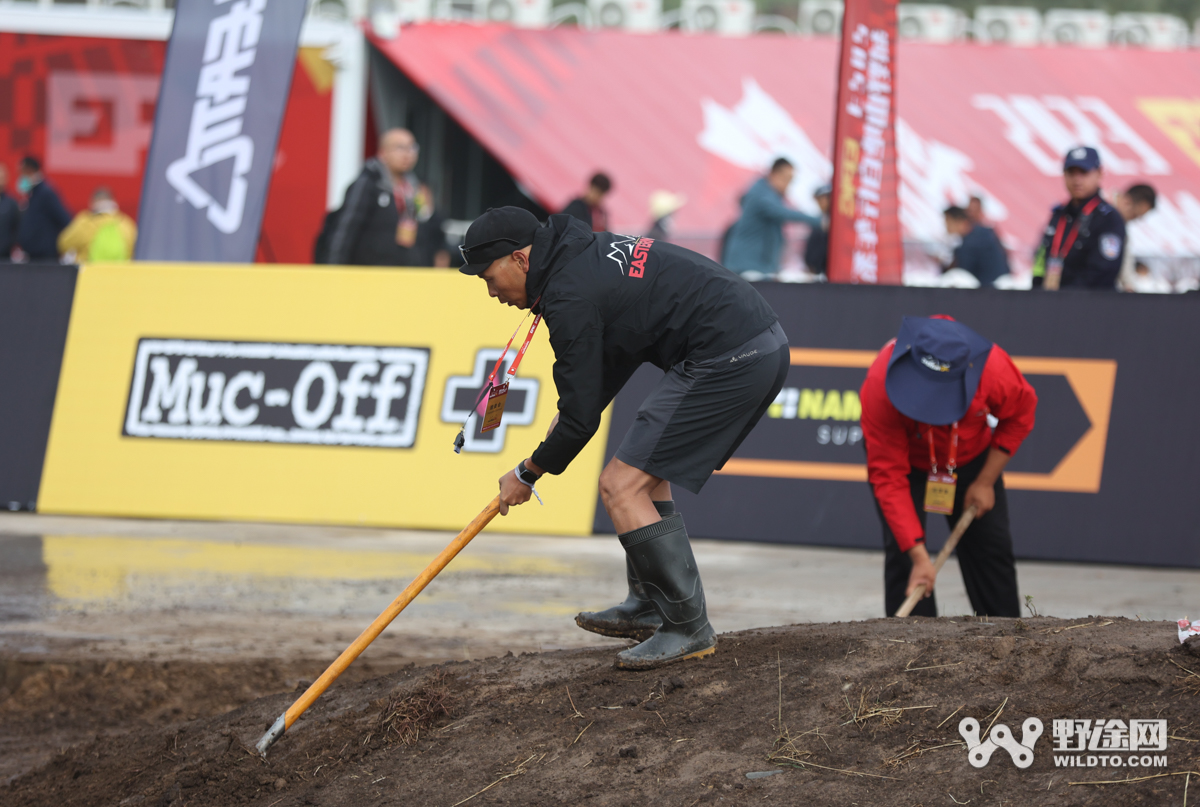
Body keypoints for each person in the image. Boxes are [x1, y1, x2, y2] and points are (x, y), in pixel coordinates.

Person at [458, 207, 789, 669]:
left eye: (490, 277)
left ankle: (688, 628)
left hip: (732, 355)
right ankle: (651, 604)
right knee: (647, 478)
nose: (492, 292)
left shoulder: (568, 294)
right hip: (751, 342)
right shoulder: (579, 255)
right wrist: (574, 412)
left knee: (620, 484)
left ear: (520, 259)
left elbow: (580, 422)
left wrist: (526, 473)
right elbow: (620, 346)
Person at [860, 316, 1037, 619]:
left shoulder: (992, 369)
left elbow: (1020, 415)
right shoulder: (881, 382)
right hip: (909, 466)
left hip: (971, 461)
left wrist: (985, 480)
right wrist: (918, 555)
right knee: (905, 557)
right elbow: (888, 476)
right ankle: (912, 650)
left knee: (991, 551)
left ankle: (1007, 641)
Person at [324, 128, 449, 267]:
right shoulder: (367, 184)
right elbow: (345, 229)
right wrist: (334, 269)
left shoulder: (415, 188)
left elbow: (428, 229)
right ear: (383, 153)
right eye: (400, 148)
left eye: (412, 148)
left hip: (408, 274)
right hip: (370, 275)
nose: (408, 154)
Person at [1032, 147, 1125, 291]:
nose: (1077, 180)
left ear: (1099, 173)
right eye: (1071, 173)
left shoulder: (1109, 218)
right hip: (1052, 303)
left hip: (1092, 305)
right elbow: (1041, 258)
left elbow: (1103, 271)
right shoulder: (1058, 214)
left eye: (1084, 172)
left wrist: (1066, 296)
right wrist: (1037, 292)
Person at [723, 158, 821, 279]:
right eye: (786, 179)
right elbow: (782, 213)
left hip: (761, 266)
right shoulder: (760, 194)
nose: (788, 185)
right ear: (774, 174)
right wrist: (819, 221)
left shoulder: (771, 195)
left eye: (791, 180)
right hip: (748, 267)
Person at [57, 187, 137, 262]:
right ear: (114, 202)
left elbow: (63, 244)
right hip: (120, 274)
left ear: (92, 202)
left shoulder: (85, 223)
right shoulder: (127, 224)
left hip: (90, 273)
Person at [15, 156, 71, 262]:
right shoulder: (31, 195)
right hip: (31, 256)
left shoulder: (46, 193)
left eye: (22, 172)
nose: (20, 177)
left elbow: (65, 220)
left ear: (30, 170)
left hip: (45, 258)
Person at [943, 205, 1009, 287]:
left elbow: (962, 272)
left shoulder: (971, 243)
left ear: (960, 221)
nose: (946, 226)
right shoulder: (984, 233)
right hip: (997, 288)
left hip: (989, 291)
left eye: (948, 222)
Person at [1113, 183, 1157, 292]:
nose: (1136, 219)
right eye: (1135, 215)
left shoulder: (1120, 228)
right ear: (1127, 202)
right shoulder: (1098, 214)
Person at [802, 183, 832, 276]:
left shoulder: (837, 223)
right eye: (819, 199)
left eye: (826, 198)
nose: (822, 202)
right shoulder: (820, 221)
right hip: (818, 273)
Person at [0, 163, 19, 261]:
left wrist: (9, 244)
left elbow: (16, 227)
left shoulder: (12, 203)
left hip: (5, 256)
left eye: (3, 177)